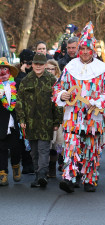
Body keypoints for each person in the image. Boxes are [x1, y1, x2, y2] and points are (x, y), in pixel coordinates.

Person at [52, 21, 105, 193]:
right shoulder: (70, 67)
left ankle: (89, 179)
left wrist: (97, 102)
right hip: (72, 115)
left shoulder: (102, 69)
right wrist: (61, 95)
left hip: (92, 116)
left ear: (93, 50)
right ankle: (69, 178)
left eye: (88, 49)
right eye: (82, 49)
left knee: (91, 148)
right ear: (78, 50)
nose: (85, 52)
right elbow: (58, 87)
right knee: (71, 146)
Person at [15, 53, 62, 188]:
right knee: (34, 151)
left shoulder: (52, 80)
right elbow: (20, 102)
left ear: (45, 65)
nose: (38, 66)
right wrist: (21, 119)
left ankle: (42, 174)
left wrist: (56, 121)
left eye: (41, 64)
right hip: (30, 122)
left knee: (43, 149)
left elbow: (57, 102)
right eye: (36, 64)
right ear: (33, 65)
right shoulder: (26, 80)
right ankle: (37, 175)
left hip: (46, 121)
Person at [0, 57, 23, 186]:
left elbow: (23, 102)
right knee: (1, 148)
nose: (2, 72)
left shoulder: (17, 84)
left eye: (5, 69)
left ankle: (15, 166)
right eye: (0, 70)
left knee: (15, 146)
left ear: (9, 71)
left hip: (14, 120)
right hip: (1, 121)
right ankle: (2, 173)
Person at [15, 49, 35, 174]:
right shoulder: (16, 72)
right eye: (25, 62)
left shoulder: (36, 72)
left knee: (33, 139)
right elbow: (18, 87)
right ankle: (26, 164)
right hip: (21, 111)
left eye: (30, 62)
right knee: (22, 139)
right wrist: (22, 73)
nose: (28, 65)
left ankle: (34, 163)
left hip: (34, 111)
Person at [45, 59, 64, 178]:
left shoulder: (60, 82)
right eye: (47, 69)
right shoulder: (41, 81)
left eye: (52, 69)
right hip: (45, 117)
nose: (50, 71)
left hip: (58, 117)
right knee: (46, 143)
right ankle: (45, 167)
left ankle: (53, 164)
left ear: (56, 70)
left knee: (57, 144)